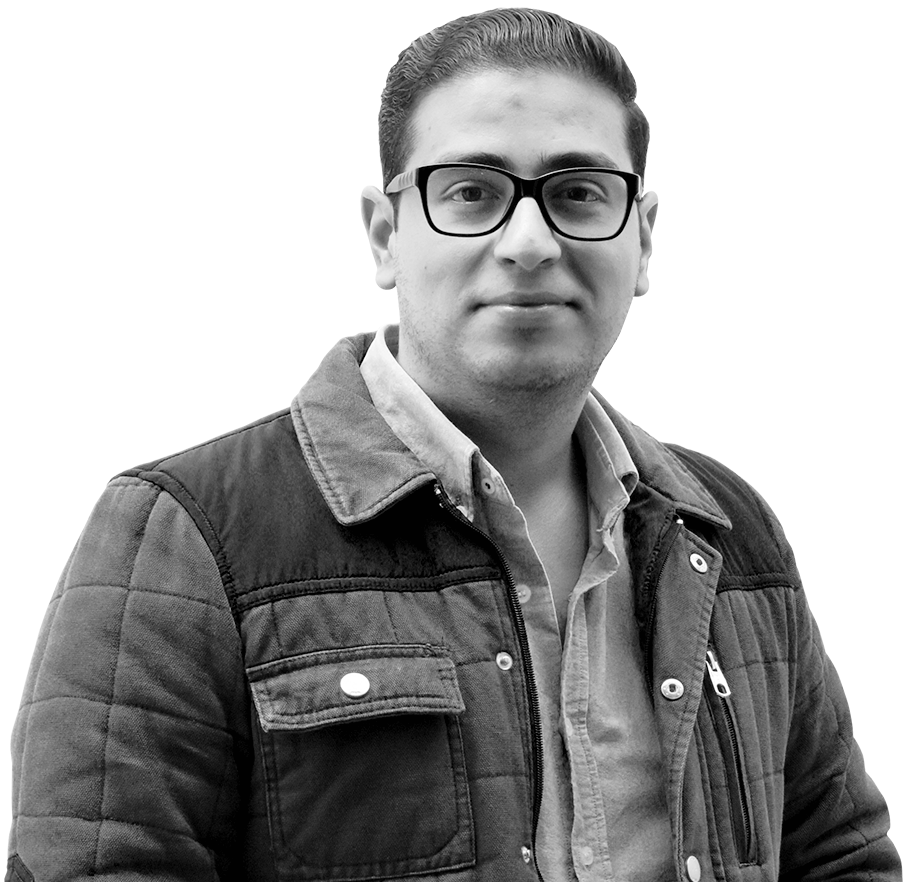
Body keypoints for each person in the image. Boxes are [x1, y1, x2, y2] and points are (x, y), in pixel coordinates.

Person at [6, 9, 900, 882]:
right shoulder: (185, 535)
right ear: (385, 234)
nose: (529, 243)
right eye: (470, 192)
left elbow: (839, 855)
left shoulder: (727, 530)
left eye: (578, 193)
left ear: (643, 238)